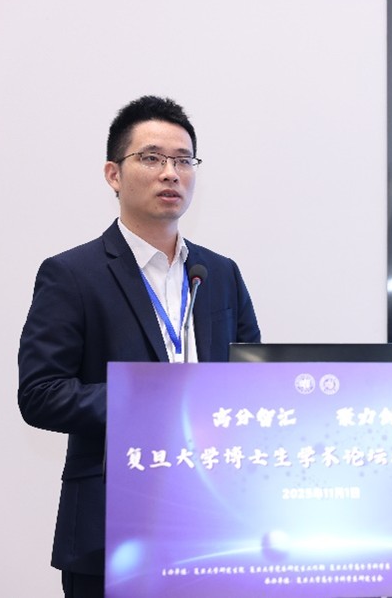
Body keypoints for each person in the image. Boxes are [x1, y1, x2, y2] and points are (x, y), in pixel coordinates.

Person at [17, 96, 261, 597]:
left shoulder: (219, 273)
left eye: (183, 160)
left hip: (214, 522)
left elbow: (252, 379)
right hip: (112, 526)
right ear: (114, 174)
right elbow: (40, 394)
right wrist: (147, 397)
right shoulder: (72, 275)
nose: (171, 173)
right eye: (151, 158)